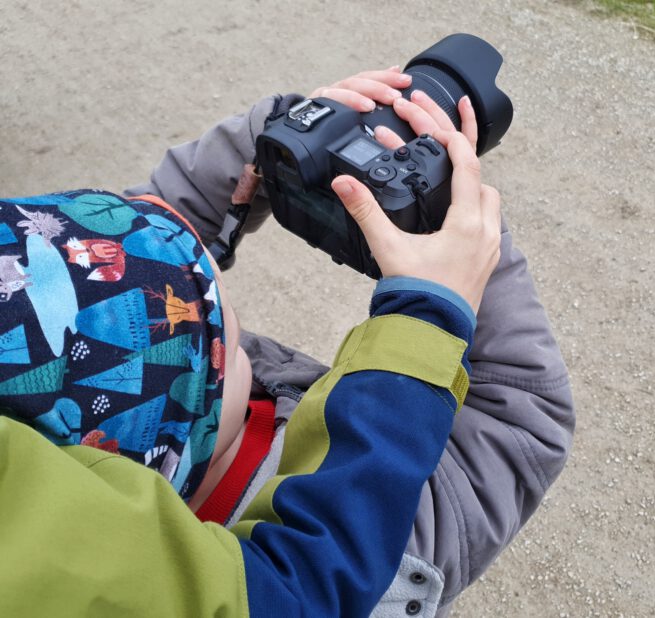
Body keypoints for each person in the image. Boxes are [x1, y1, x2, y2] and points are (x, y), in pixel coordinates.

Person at [0, 68, 574, 617]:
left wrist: (274, 135)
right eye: (216, 316)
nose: (219, 288)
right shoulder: (382, 548)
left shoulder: (93, 464)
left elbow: (106, 266)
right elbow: (525, 420)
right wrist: (465, 255)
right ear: (180, 439)